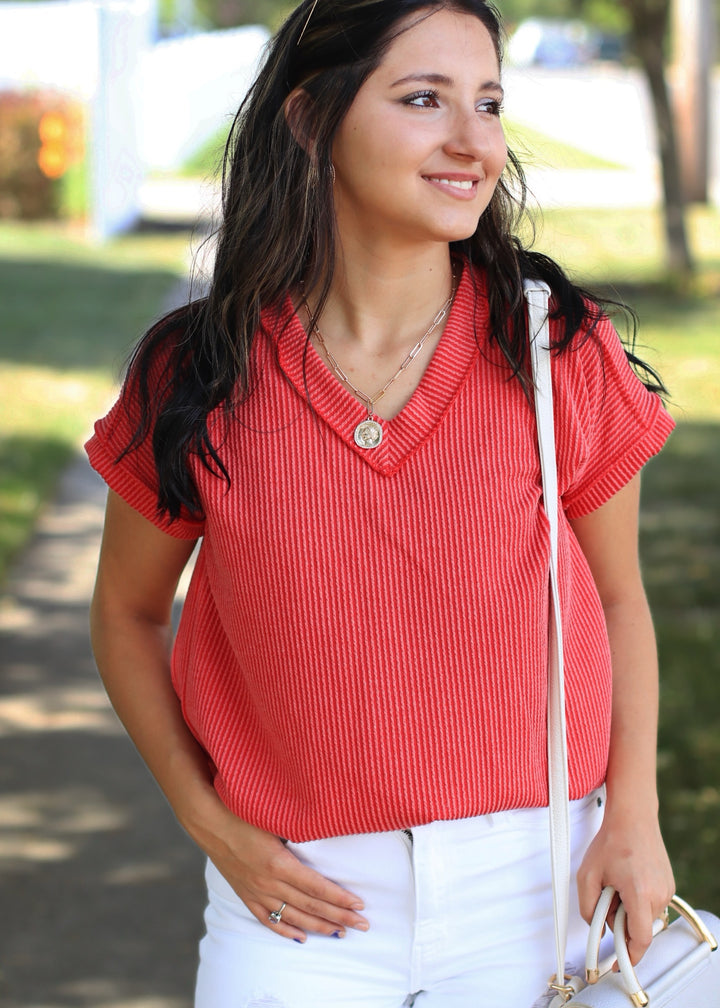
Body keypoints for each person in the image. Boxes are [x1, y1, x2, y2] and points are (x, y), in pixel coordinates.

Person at [86, 0, 677, 1004]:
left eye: (488, 103)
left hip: (540, 886)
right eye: (423, 100)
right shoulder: (200, 373)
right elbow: (125, 614)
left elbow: (619, 600)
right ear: (311, 120)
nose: (471, 140)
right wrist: (210, 824)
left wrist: (635, 817)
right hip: (295, 909)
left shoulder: (554, 353)